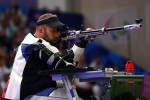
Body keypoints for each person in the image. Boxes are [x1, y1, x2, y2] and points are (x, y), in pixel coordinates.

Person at [1, 13, 93, 100]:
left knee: (83, 96)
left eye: (58, 30)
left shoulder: (33, 42)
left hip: (30, 93)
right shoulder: (36, 44)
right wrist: (77, 44)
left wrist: (83, 42)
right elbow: (66, 66)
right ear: (41, 30)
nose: (57, 35)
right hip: (25, 96)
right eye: (53, 31)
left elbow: (68, 63)